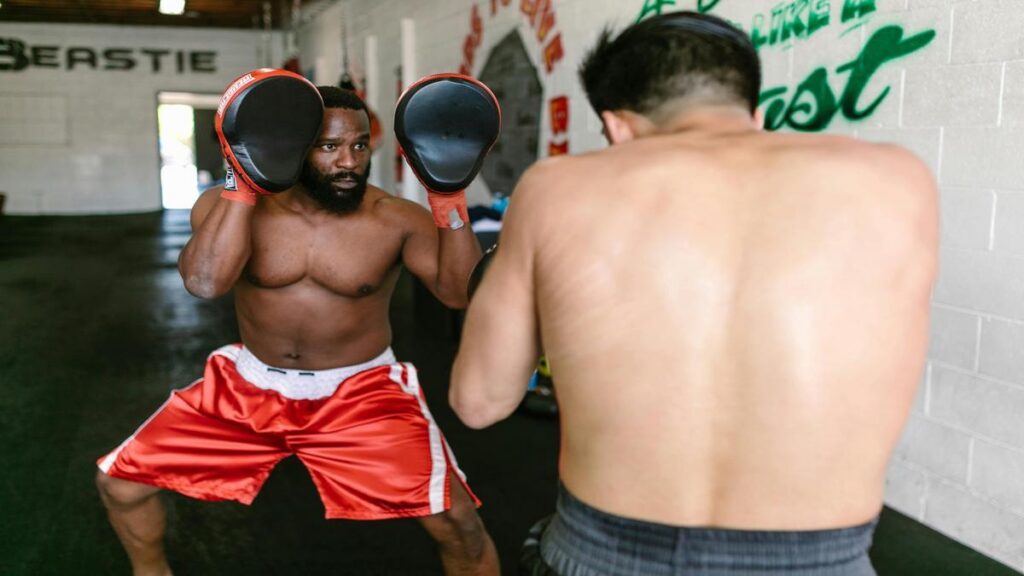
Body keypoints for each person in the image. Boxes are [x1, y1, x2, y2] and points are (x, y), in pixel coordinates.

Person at [450, 11, 938, 576]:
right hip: (820, 559)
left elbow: (479, 402)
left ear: (618, 127)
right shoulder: (900, 179)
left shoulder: (555, 188)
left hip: (607, 550)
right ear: (755, 115)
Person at [95, 82, 498, 576]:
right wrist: (241, 186)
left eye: (358, 145)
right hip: (247, 388)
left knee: (460, 525)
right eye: (329, 147)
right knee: (121, 485)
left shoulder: (395, 219)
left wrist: (448, 198)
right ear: (290, 147)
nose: (348, 161)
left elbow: (458, 294)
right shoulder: (227, 208)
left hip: (361, 395)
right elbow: (204, 282)